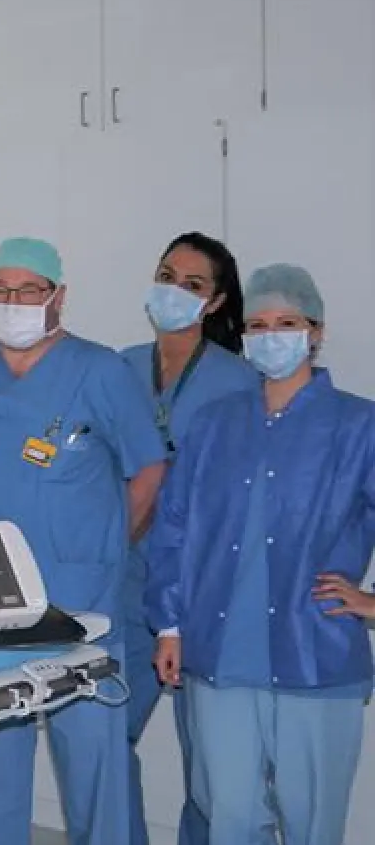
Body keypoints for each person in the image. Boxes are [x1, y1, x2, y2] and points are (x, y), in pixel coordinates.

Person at [0, 236, 166, 845]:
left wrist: (104, 546)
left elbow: (149, 471)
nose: (13, 301)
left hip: (84, 603)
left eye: (28, 289)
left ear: (58, 296)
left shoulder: (102, 372)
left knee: (93, 767)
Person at [147, 264, 375, 845]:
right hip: (221, 654)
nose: (271, 335)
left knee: (311, 818)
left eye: (287, 323)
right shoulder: (216, 424)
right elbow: (174, 525)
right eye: (258, 325)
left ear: (315, 332)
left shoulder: (357, 425)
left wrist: (371, 604)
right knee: (228, 814)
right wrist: (169, 624)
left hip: (315, 655)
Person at [119, 232, 257, 845]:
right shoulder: (118, 368)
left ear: (215, 302)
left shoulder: (239, 383)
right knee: (103, 735)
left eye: (192, 284)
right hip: (123, 583)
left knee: (210, 762)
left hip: (204, 591)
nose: (173, 290)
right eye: (165, 274)